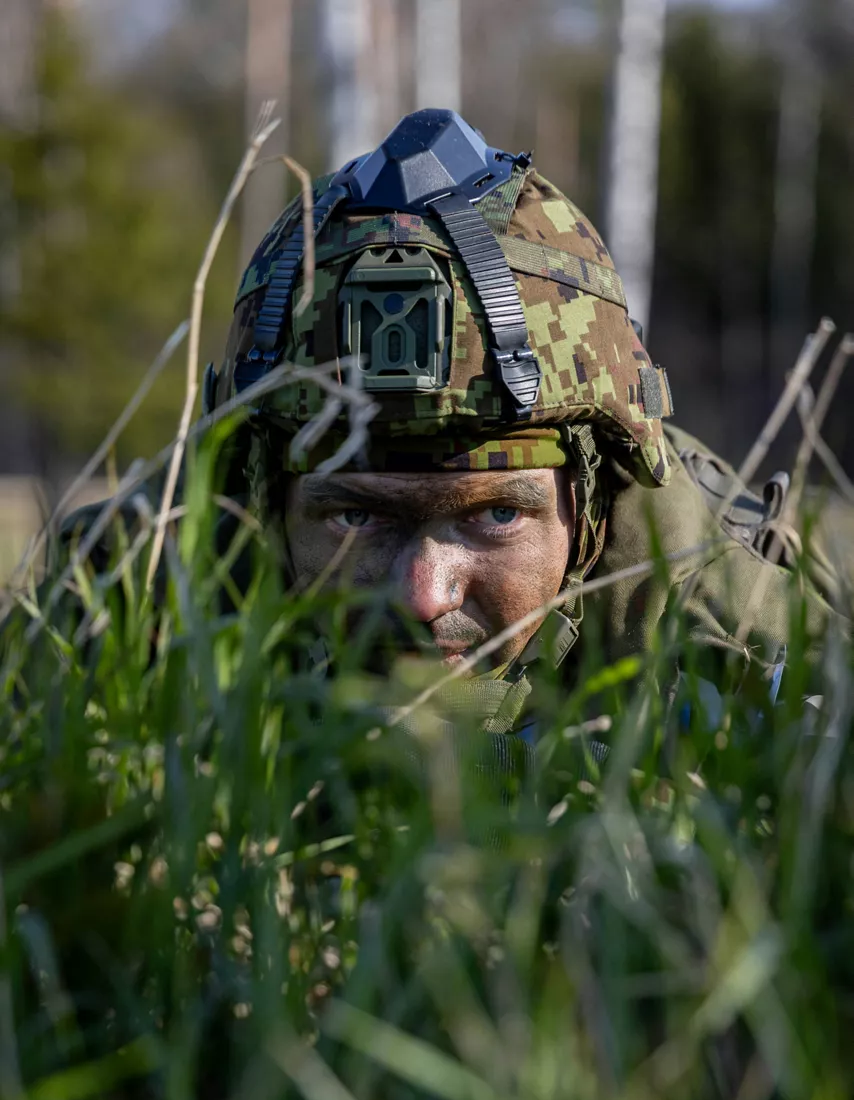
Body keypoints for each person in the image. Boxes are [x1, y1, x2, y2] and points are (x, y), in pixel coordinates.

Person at [205, 108, 828, 733]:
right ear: (263, 497)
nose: (423, 596)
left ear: (592, 501)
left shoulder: (747, 640)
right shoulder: (160, 587)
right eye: (356, 516)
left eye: (497, 514)